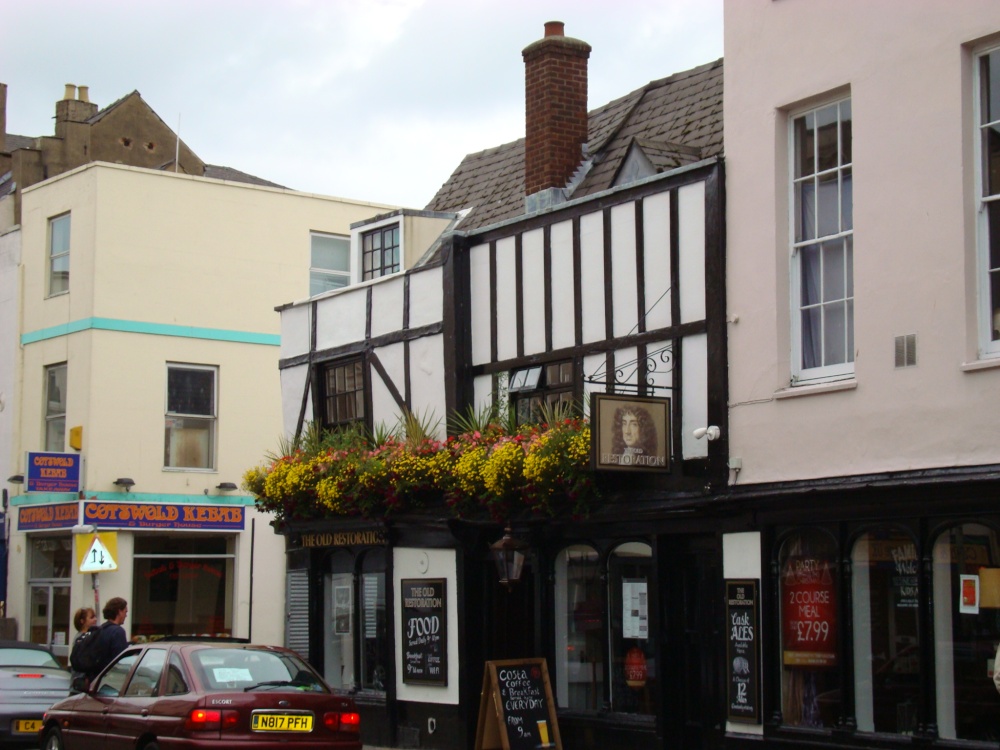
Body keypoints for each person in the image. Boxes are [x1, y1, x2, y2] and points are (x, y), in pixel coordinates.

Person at [88, 597, 129, 682]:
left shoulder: (100, 630)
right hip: (110, 680)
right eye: (125, 612)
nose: (126, 615)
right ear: (119, 612)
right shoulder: (118, 632)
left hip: (95, 679)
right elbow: (121, 660)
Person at [69, 607, 98, 692]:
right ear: (82, 621)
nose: (95, 619)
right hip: (80, 686)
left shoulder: (88, 636)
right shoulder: (81, 639)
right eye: (91, 617)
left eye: (95, 617)